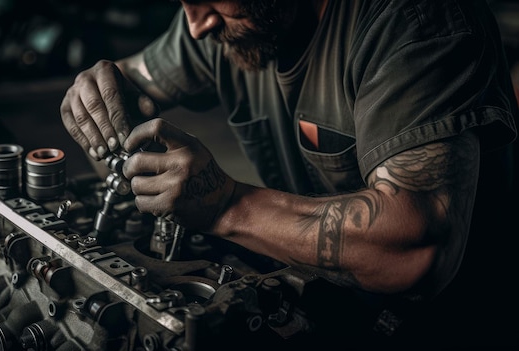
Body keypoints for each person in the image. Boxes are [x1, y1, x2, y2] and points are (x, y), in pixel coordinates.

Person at [60, 0, 518, 348]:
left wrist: (227, 205)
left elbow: (417, 248)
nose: (196, 26)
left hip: (453, 323)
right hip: (323, 299)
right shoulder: (221, 20)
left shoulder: (417, 23)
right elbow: (131, 81)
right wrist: (98, 92)